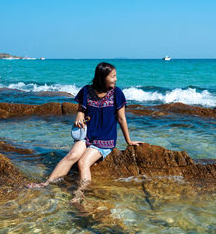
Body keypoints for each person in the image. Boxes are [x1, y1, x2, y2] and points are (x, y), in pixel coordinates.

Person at [26, 62, 143, 198]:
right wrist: (79, 114)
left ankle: (80, 194)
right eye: (113, 76)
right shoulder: (86, 91)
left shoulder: (117, 93)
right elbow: (81, 109)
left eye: (115, 76)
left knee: (83, 163)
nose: (116, 79)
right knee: (72, 156)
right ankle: (46, 184)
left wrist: (128, 140)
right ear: (102, 77)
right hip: (87, 134)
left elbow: (122, 119)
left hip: (105, 139)